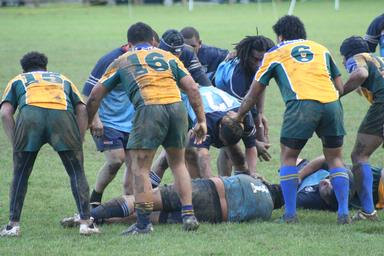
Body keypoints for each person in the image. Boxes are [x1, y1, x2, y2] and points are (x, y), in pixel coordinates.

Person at [86, 22, 207, 235]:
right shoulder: (168, 57)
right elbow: (192, 87)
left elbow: (95, 95)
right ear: (154, 41)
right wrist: (201, 121)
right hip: (177, 107)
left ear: (130, 43)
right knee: (178, 163)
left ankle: (143, 224)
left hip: (150, 107)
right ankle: (189, 215)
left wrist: (89, 120)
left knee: (140, 168)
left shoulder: (122, 59)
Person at [234, 15, 349, 224]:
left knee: (288, 158)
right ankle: (343, 213)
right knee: (335, 159)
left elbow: (254, 92)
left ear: (280, 36)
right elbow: (340, 88)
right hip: (332, 103)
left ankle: (290, 215)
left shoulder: (275, 53)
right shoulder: (321, 49)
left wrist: (239, 116)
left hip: (301, 104)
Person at [0, 52, 99, 237]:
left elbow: (5, 113)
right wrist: (78, 138)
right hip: (61, 118)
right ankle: (86, 224)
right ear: (46, 68)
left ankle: (13, 226)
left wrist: (16, 143)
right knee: (76, 171)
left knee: (20, 173)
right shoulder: (62, 78)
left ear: (24, 69)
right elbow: (82, 108)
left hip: (30, 117)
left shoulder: (18, 79)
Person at [60, 174, 280, 226]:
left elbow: (221, 177)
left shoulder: (251, 178)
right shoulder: (267, 210)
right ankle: (105, 222)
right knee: (154, 217)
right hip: (212, 215)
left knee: (140, 201)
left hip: (203, 191)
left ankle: (86, 217)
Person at [339, 36, 384, 221]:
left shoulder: (357, 59)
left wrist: (338, 93)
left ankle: (368, 211)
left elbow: (360, 75)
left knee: (359, 155)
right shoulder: (379, 59)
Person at [295, 156, 383, 215]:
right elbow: (328, 159)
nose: (327, 182)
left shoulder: (307, 199)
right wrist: (300, 175)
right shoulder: (346, 178)